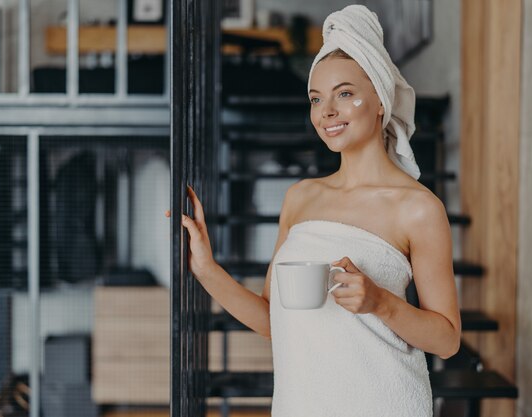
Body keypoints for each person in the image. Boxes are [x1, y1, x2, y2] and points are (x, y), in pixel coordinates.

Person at [174, 5, 461, 416]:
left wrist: (380, 302)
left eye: (344, 94)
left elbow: (448, 339)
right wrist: (205, 269)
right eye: (316, 98)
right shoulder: (301, 198)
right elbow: (274, 321)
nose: (326, 112)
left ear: (380, 101)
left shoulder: (417, 208)